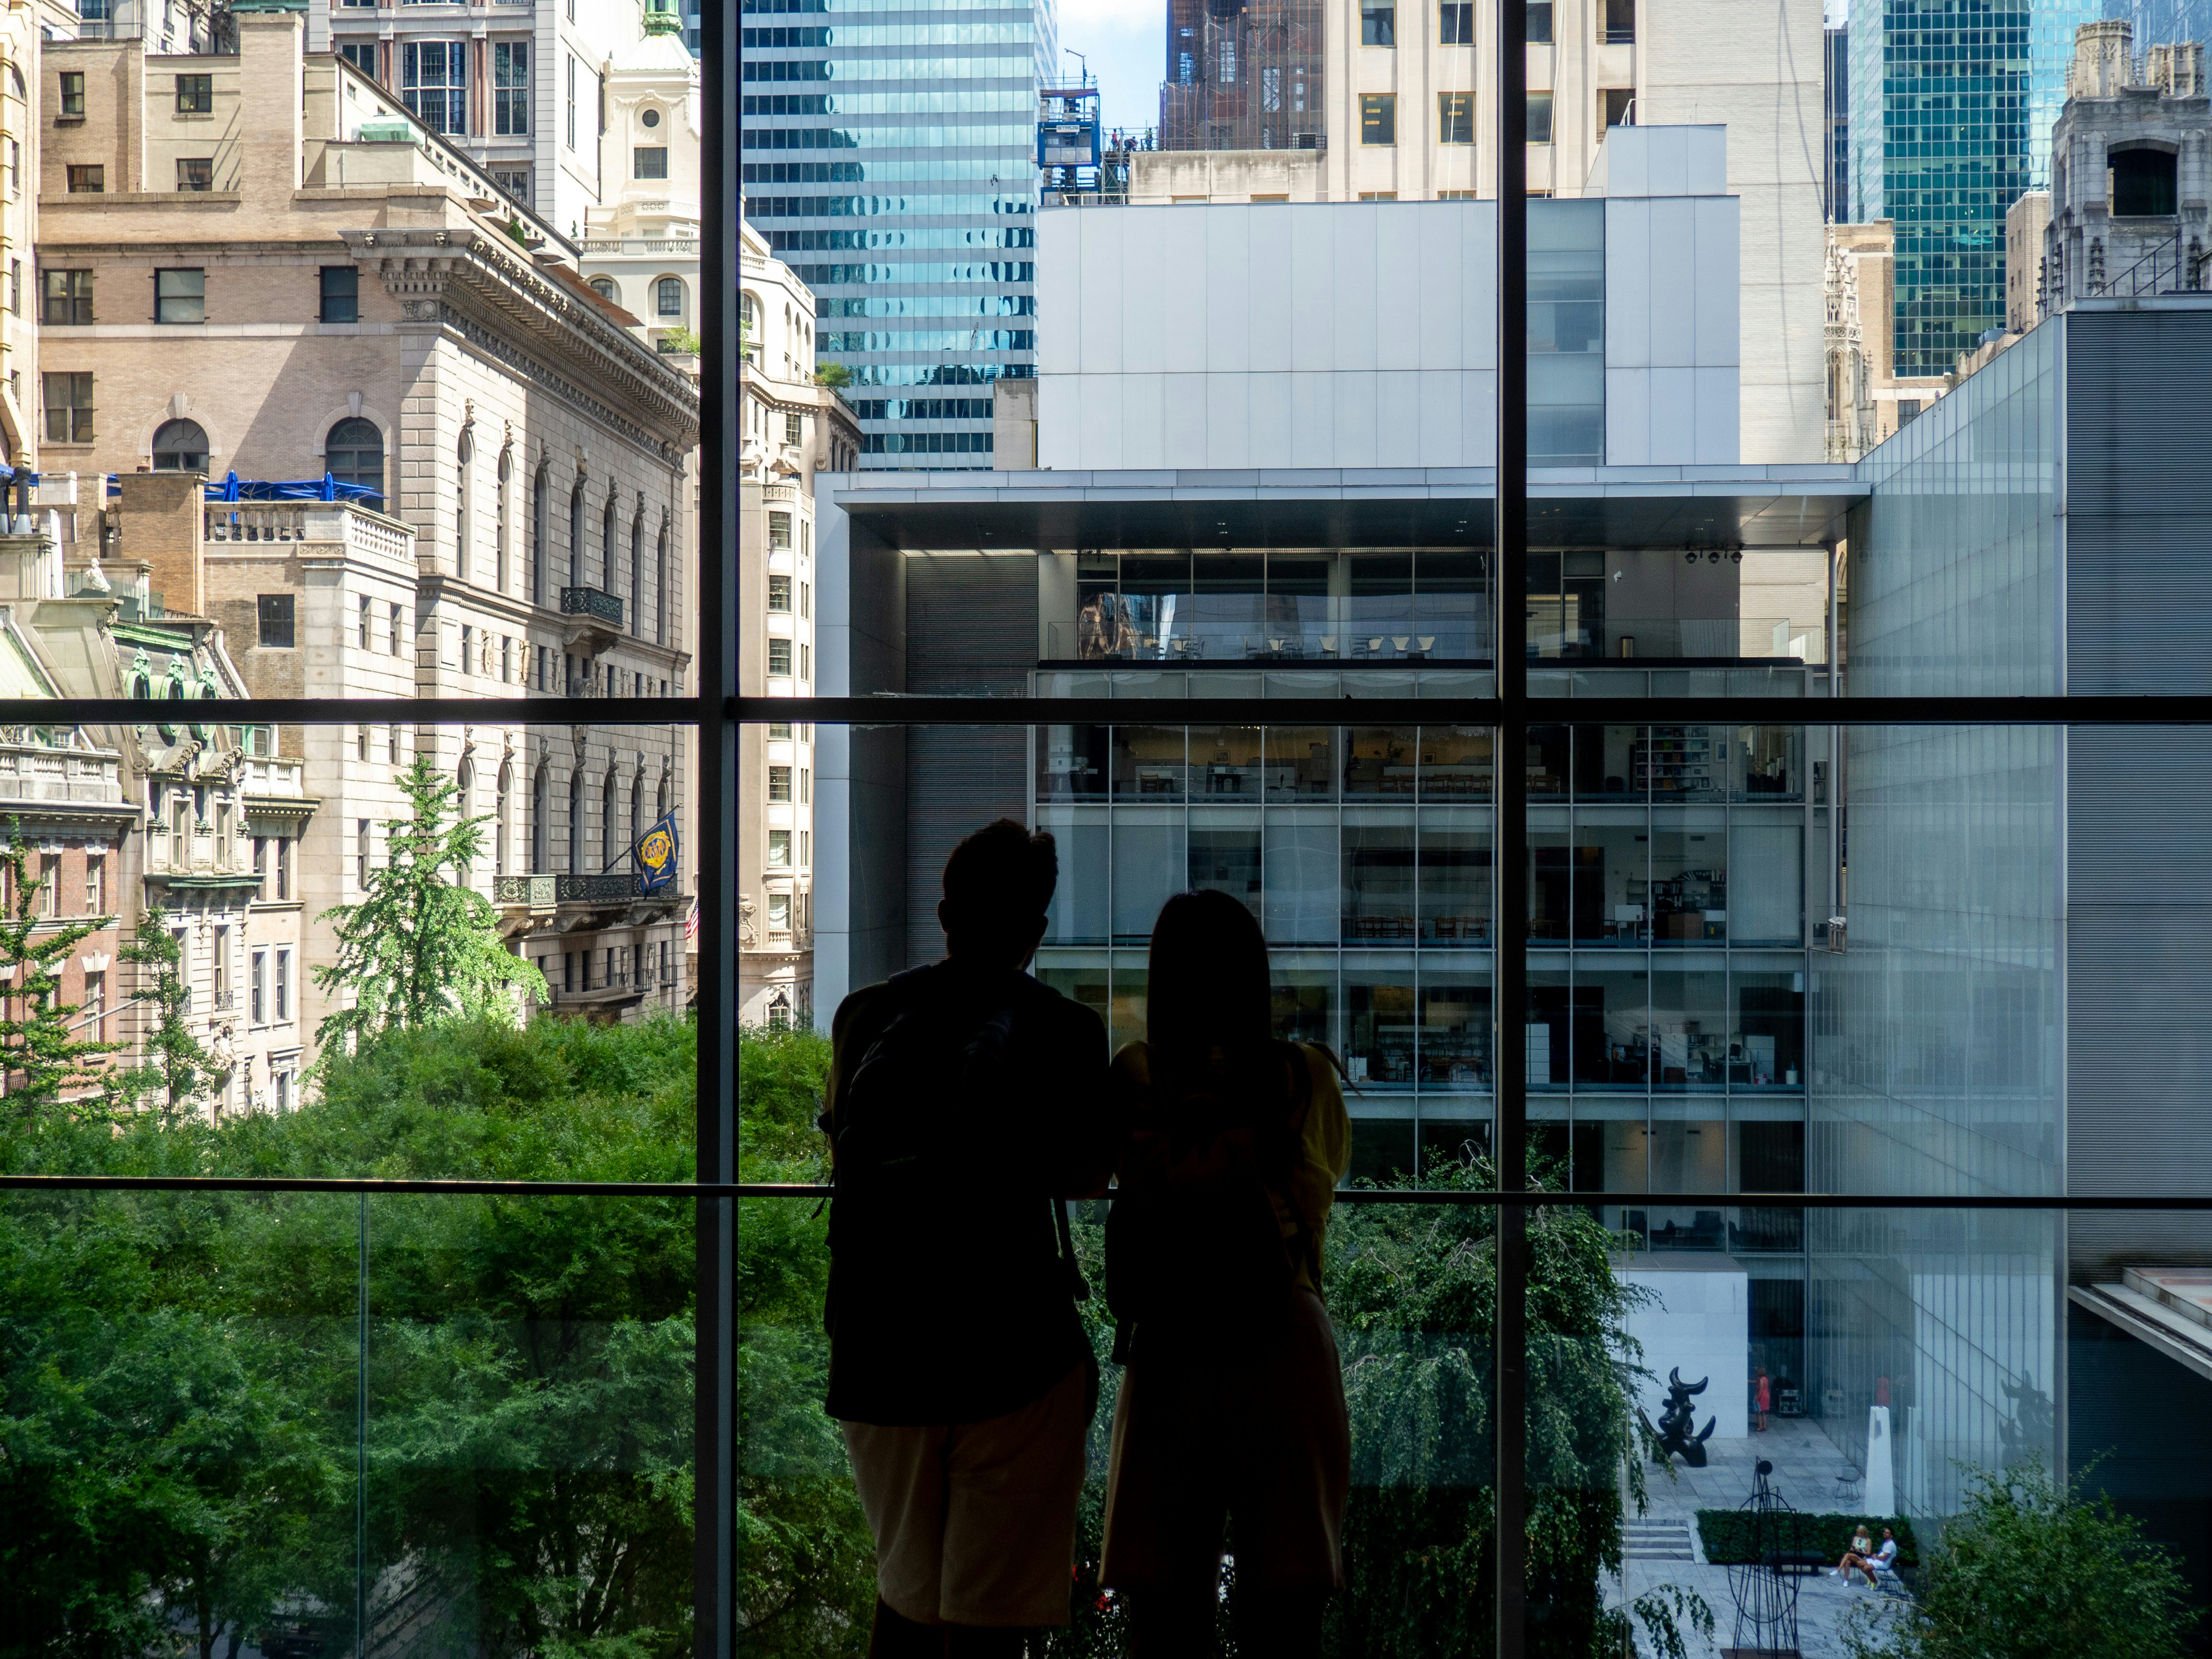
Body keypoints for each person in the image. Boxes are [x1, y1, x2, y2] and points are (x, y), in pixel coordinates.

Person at [822, 820, 1115, 1659]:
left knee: (904, 1605)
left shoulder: (863, 1016)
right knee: (989, 1628)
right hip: (1015, 1355)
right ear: (1037, 930)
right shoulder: (1065, 1029)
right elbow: (1090, 1174)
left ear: (942, 912)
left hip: (877, 1354)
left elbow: (843, 1143)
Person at [1100, 888, 1353, 1658]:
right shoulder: (1304, 1076)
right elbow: (1324, 1187)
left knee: (1163, 1619)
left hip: (1170, 1343)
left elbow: (1128, 1180)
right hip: (1284, 1331)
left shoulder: (1138, 1076)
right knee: (1286, 1614)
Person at [1755, 1366, 1771, 1432]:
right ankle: (1765, 1426)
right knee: (1764, 1412)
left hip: (1762, 1397)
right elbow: (1757, 1382)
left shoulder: (1761, 1380)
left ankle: (1760, 1426)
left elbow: (1761, 1390)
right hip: (1767, 1396)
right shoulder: (1766, 1379)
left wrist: (1757, 1399)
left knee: (1759, 1412)